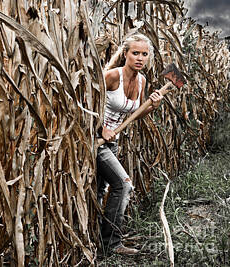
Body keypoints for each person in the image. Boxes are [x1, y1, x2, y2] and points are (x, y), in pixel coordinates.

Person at [97, 33, 163, 255]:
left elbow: (135, 116)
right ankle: (112, 244)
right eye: (135, 53)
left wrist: (151, 106)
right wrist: (100, 128)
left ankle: (94, 240)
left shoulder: (142, 81)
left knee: (99, 191)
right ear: (125, 54)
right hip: (95, 142)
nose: (140, 58)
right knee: (123, 184)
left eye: (145, 54)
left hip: (112, 145)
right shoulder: (111, 76)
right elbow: (82, 103)